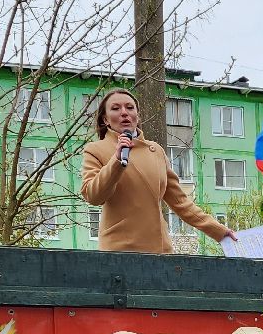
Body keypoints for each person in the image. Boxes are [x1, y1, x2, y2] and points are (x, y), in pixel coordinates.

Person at [80, 89, 235, 254]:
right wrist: (116, 161)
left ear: (137, 116)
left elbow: (180, 202)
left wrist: (218, 231)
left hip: (160, 251)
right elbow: (93, 195)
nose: (124, 113)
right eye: (116, 108)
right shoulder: (95, 150)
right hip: (119, 252)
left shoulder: (157, 152)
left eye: (130, 107)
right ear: (106, 119)